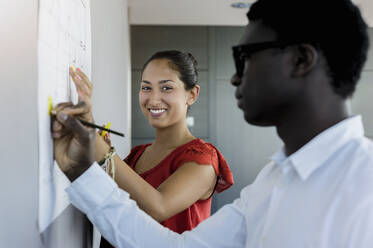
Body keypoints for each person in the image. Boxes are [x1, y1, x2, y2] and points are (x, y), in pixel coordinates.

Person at [52, 0, 373, 247]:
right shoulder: (270, 183)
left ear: (301, 60)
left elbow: (160, 208)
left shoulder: (364, 185)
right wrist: (80, 171)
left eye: (245, 57)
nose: (235, 77)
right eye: (146, 86)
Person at [53, 51, 234, 247]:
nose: (154, 99)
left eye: (166, 88)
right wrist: (88, 155)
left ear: (192, 94)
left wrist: (105, 156)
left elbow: (159, 207)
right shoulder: (136, 155)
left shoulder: (203, 159)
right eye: (146, 88)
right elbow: (110, 206)